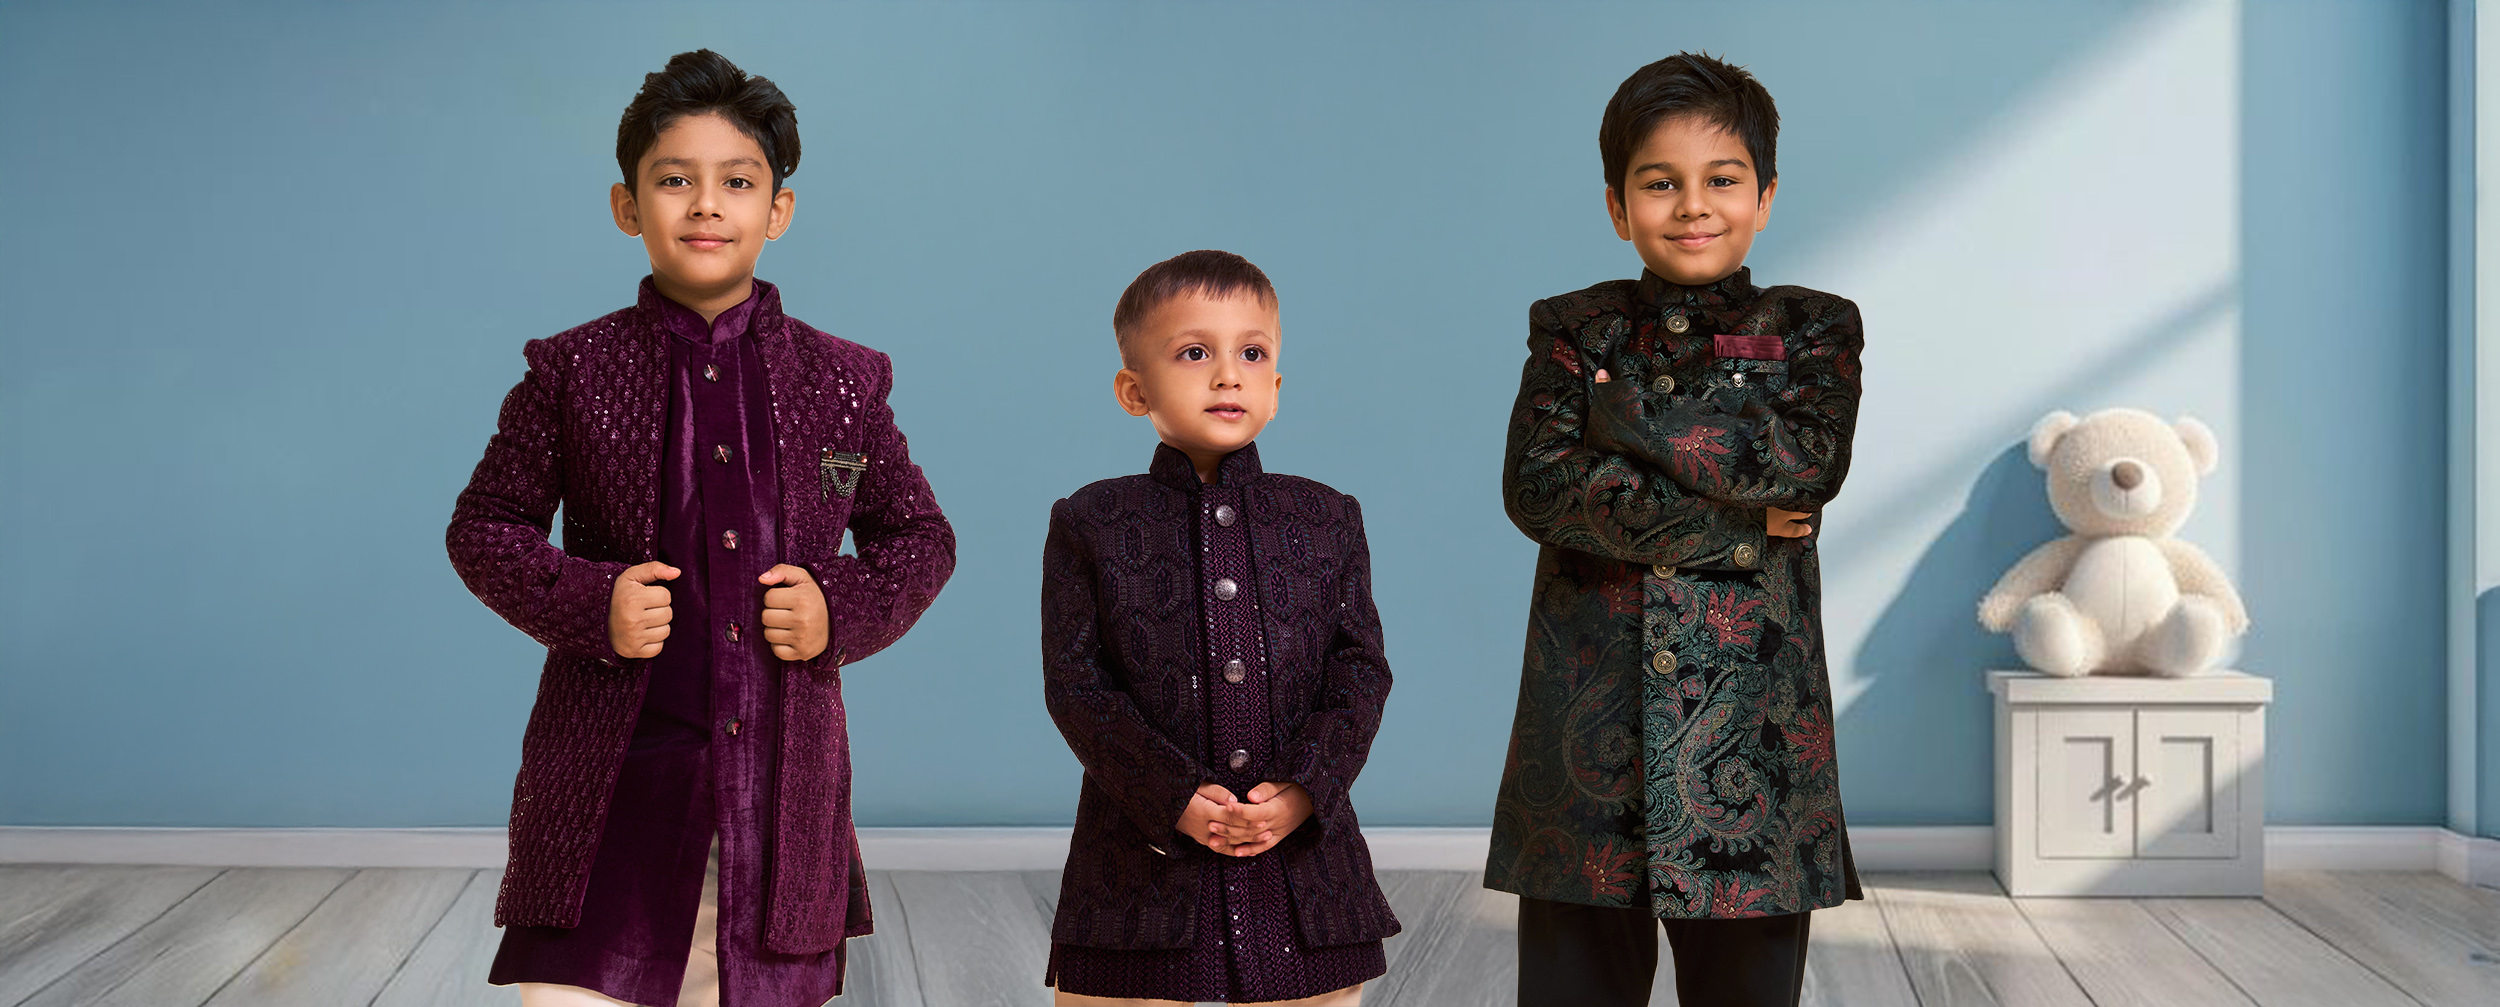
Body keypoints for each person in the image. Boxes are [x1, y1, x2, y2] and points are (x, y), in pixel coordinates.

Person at [445, 49, 955, 1007]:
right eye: (675, 180)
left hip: (782, 795)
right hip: (609, 790)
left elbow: (921, 537)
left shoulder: (844, 381)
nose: (707, 205)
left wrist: (836, 607)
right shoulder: (570, 371)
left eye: (738, 182)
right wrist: (592, 601)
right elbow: (484, 527)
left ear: (779, 210)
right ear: (627, 206)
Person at [1486, 52, 1867, 1007]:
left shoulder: (1815, 329)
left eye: (1722, 180)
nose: (1693, 205)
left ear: (1765, 196)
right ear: (1619, 207)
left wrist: (1624, 415)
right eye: (1660, 183)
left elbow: (1805, 464)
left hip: (1755, 751)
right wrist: (1743, 531)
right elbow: (1542, 488)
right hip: (1582, 758)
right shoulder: (1573, 327)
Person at [1038, 250, 1399, 1006]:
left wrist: (1303, 791)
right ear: (1134, 390)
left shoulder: (1327, 516)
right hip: (1136, 875)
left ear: (1276, 387)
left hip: (1305, 872)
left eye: (1252, 353)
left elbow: (1360, 672)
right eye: (1195, 353)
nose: (1228, 375)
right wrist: (1170, 794)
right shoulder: (1091, 520)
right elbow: (1077, 685)